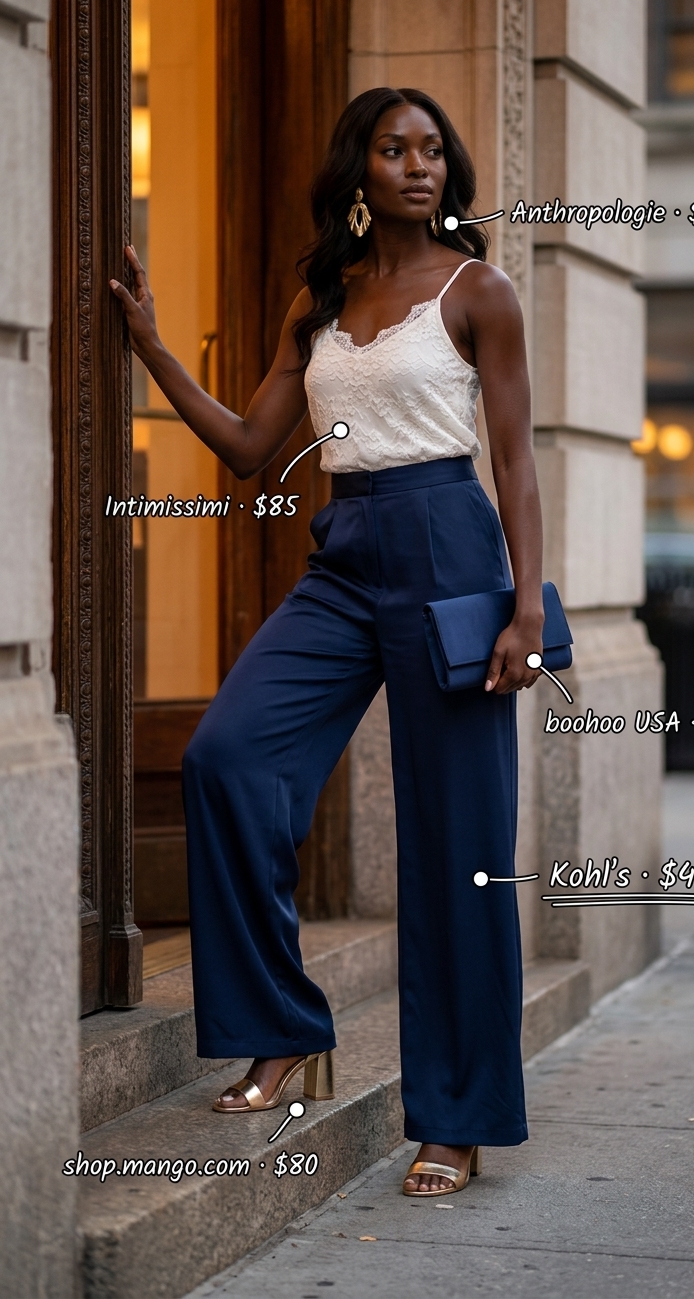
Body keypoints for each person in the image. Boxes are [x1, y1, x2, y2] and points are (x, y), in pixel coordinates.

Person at [111, 86, 544, 1197]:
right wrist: (152, 349)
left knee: (457, 853)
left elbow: (516, 458)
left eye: (433, 151)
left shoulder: (476, 292)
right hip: (346, 552)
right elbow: (255, 446)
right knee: (226, 757)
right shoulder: (323, 296)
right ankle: (285, 1025)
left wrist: (526, 605)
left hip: (451, 551)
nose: (419, 166)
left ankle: (457, 1115)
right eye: (396, 149)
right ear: (359, 170)